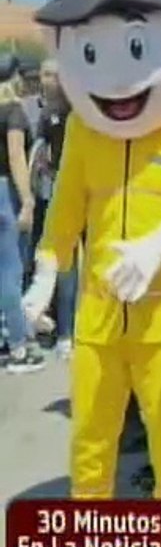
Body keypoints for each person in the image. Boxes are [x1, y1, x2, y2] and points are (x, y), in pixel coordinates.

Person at [23, 0, 161, 547]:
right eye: (91, 52)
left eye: (133, 46)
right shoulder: (82, 128)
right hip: (101, 316)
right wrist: (47, 270)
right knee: (91, 436)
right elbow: (66, 206)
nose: (116, 77)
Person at [28, 58, 77, 358]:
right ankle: (65, 332)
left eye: (54, 74)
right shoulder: (48, 113)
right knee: (63, 264)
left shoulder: (80, 108)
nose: (49, 79)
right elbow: (39, 150)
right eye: (45, 74)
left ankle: (74, 329)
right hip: (58, 191)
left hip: (86, 190)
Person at [0, 54, 44, 372]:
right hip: (4, 193)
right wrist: (27, 199)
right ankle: (17, 346)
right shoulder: (12, 112)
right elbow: (16, 156)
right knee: (10, 272)